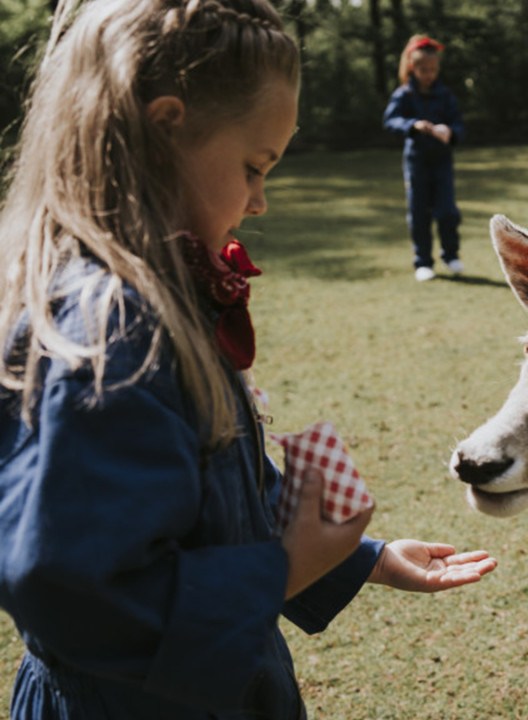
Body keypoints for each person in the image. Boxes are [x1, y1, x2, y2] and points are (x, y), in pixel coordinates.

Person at [0, 2, 497, 718]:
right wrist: (285, 568)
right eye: (254, 166)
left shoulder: (155, 292)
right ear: (166, 128)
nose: (260, 201)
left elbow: (194, 497)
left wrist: (362, 560)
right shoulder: (109, 331)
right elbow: (70, 585)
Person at [382, 34, 467, 282]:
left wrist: (450, 132)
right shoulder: (404, 95)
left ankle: (451, 255)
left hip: (442, 161)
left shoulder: (445, 95)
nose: (429, 74)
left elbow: (459, 125)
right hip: (416, 161)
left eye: (433, 69)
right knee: (419, 213)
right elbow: (390, 120)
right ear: (412, 68)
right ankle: (423, 262)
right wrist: (413, 125)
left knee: (447, 211)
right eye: (423, 69)